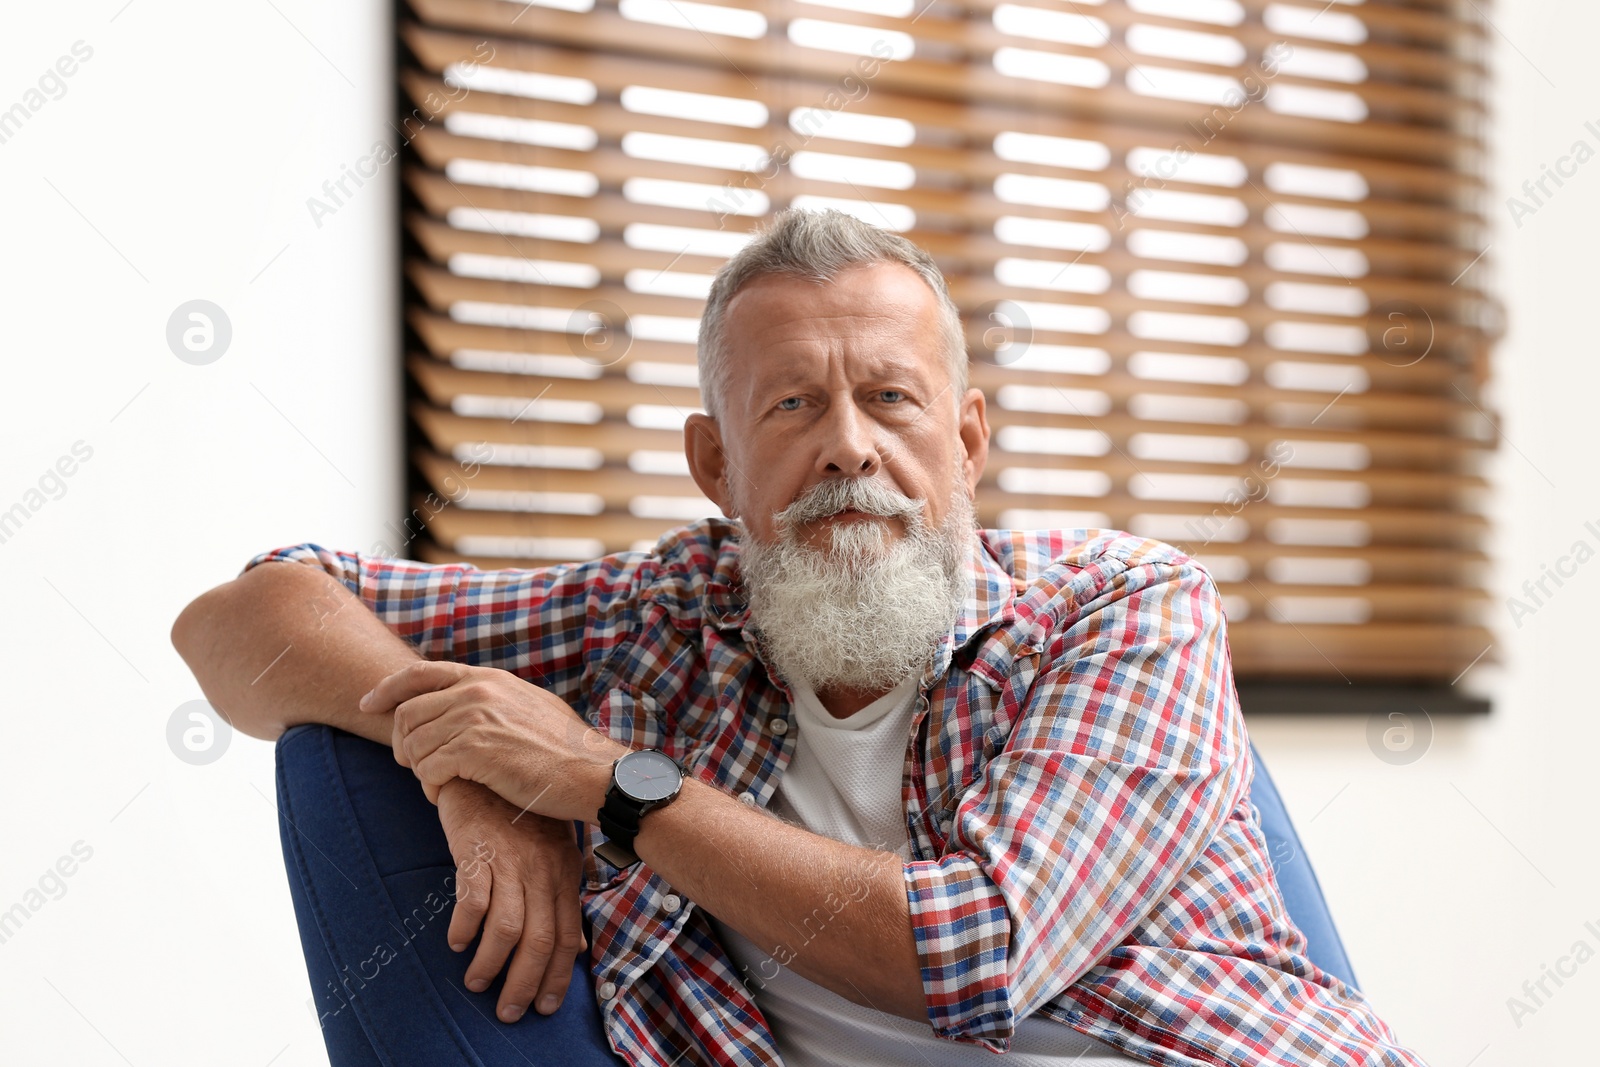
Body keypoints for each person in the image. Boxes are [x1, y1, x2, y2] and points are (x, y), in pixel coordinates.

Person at [172, 208, 1428, 1066]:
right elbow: (244, 616)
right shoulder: (660, 614)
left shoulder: (1121, 610)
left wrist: (604, 785)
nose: (848, 445)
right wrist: (452, 747)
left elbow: (976, 955)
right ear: (715, 462)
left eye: (891, 396)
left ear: (969, 440)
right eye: (792, 404)